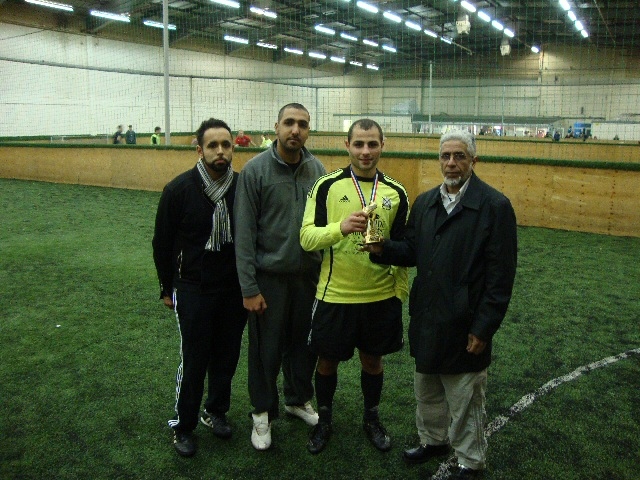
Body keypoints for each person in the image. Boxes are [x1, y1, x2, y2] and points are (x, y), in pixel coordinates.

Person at [363, 130, 517, 479]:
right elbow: (413, 251)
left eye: (459, 156)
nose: (451, 163)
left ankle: (471, 460)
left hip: (465, 323)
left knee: (465, 398)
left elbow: (501, 278)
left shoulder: (494, 207)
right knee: (427, 389)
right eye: (445, 156)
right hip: (427, 316)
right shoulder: (426, 202)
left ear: (473, 161)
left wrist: (484, 328)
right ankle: (433, 441)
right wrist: (382, 248)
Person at [300, 119, 410, 455]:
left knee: (373, 363)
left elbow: (406, 249)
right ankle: (325, 420)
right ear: (346, 145)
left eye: (372, 144)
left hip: (379, 297)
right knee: (326, 363)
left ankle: (371, 418)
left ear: (382, 145)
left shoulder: (397, 192)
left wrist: (399, 292)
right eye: (359, 144)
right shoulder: (327, 186)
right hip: (335, 295)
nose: (365, 151)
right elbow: (306, 238)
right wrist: (341, 227)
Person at [152, 118, 247, 458]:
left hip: (234, 290)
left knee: (227, 355)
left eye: (226, 145)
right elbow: (161, 243)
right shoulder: (178, 190)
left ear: (233, 148)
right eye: (212, 145)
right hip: (192, 288)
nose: (220, 151)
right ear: (199, 149)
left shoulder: (242, 187)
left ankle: (215, 411)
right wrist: (167, 288)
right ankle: (184, 425)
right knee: (194, 360)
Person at [234, 103, 326, 451]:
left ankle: (297, 399)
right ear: (276, 127)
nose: (295, 130)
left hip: (308, 278)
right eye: (289, 123)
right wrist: (249, 287)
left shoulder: (317, 170)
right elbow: (243, 235)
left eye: (303, 124)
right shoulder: (255, 171)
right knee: (265, 351)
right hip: (268, 280)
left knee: (304, 345)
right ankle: (262, 413)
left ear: (308, 131)